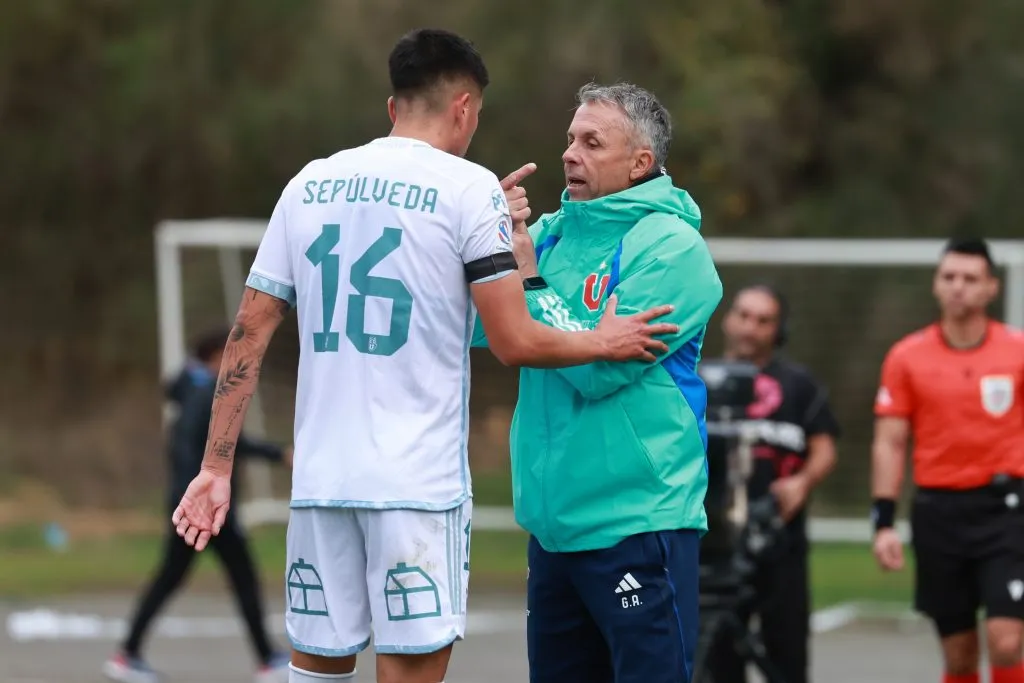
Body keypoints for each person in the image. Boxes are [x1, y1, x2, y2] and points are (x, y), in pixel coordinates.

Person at [169, 30, 677, 683]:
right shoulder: (470, 190)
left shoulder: (309, 183)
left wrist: (216, 467)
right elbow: (515, 342)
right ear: (464, 107)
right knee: (407, 672)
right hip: (415, 486)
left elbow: (249, 329)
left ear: (392, 107)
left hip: (323, 481)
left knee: (316, 669)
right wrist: (602, 339)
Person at [476, 82, 723, 683]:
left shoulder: (672, 249)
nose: (569, 154)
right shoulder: (554, 231)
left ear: (641, 163)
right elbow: (487, 334)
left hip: (638, 522)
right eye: (569, 139)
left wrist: (528, 277)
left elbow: (594, 367)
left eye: (591, 142)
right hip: (553, 526)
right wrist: (483, 247)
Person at [871, 237, 1024, 683]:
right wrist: (883, 521)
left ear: (991, 288)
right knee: (959, 655)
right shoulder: (906, 356)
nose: (959, 287)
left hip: (1007, 512)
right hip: (939, 513)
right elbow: (890, 441)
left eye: (970, 278)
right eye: (949, 276)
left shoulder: (1017, 351)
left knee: (1006, 641)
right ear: (936, 285)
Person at [103, 327, 293, 683]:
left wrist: (278, 454)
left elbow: (227, 442)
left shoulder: (195, 388)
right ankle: (267, 659)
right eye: (231, 353)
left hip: (192, 506)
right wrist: (197, 498)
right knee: (241, 578)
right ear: (215, 355)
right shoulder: (207, 390)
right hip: (204, 510)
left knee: (173, 578)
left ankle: (127, 654)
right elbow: (196, 448)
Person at [701, 284, 840, 683]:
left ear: (778, 330)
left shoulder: (799, 384)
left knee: (786, 656)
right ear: (728, 319)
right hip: (712, 544)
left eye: (763, 321)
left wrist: (802, 482)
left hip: (779, 540)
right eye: (743, 316)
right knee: (719, 662)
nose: (750, 328)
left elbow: (825, 448)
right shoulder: (698, 379)